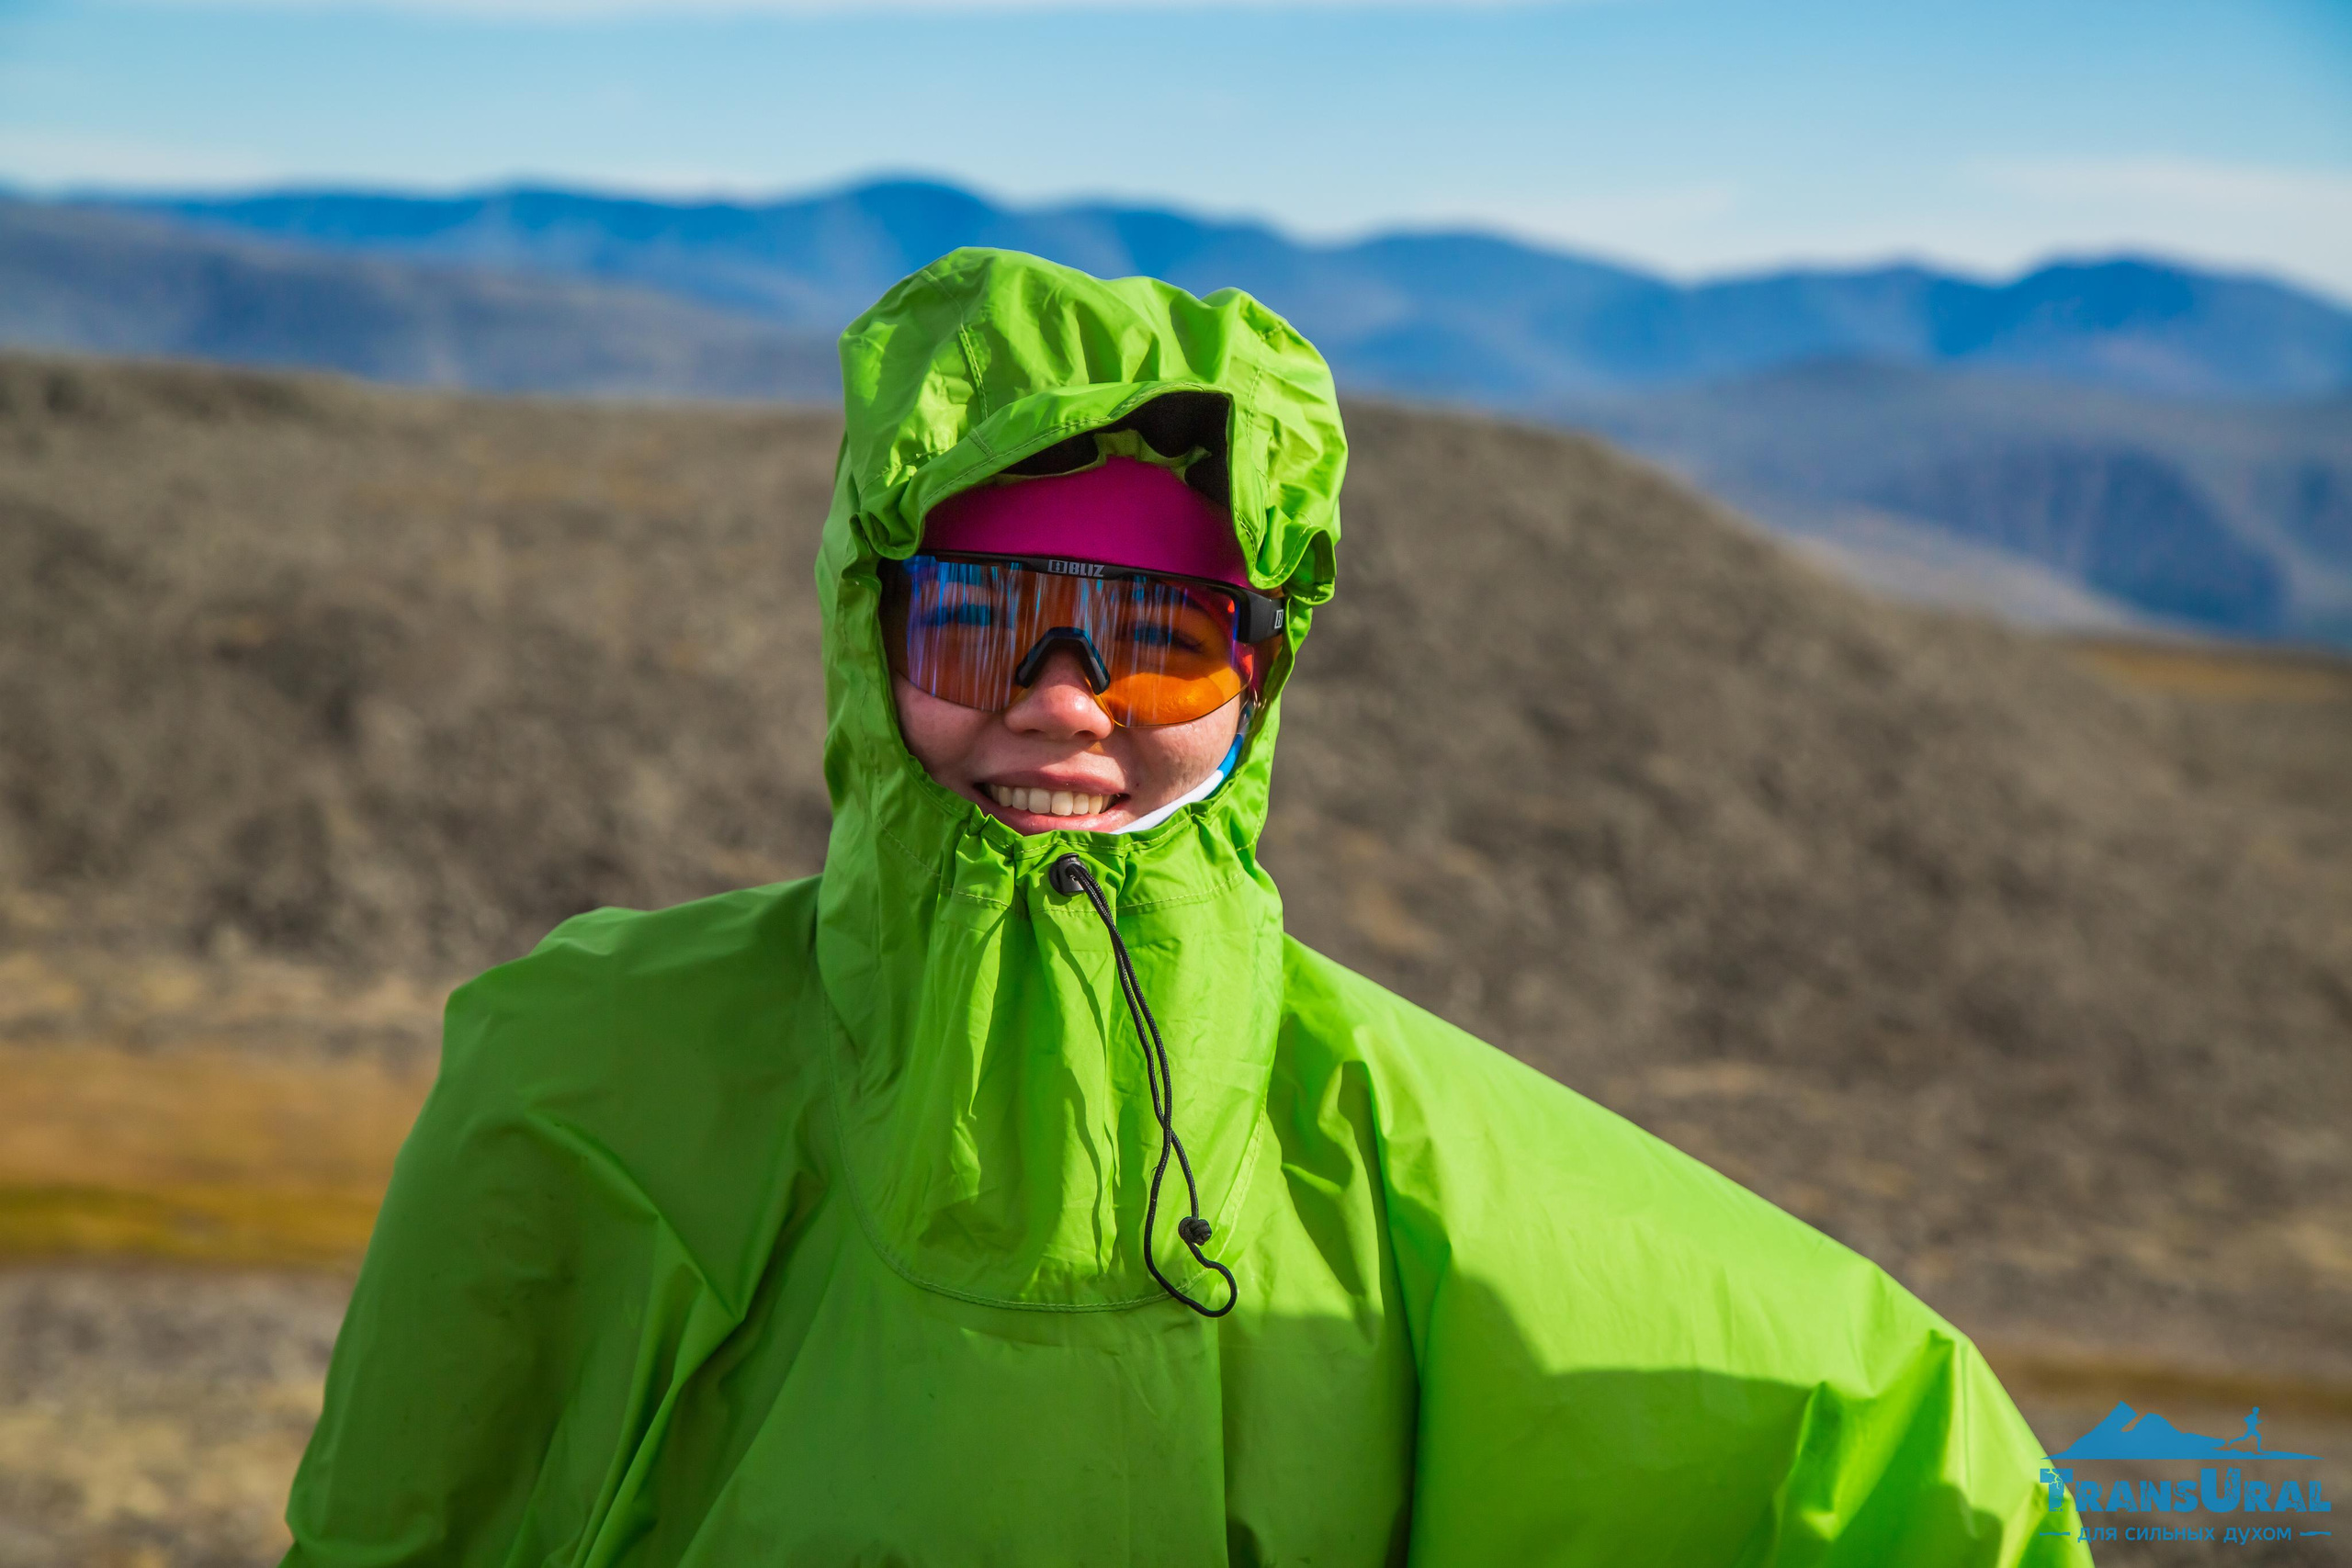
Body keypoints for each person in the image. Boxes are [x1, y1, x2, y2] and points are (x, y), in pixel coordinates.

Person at [283, 248, 2088, 1565]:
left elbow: (1902, 1464)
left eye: (1152, 641)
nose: (1063, 696)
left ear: (1262, 669)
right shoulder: (582, 1061)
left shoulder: (1404, 1156)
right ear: (866, 624)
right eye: (984, 614)